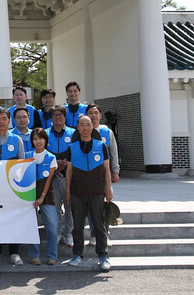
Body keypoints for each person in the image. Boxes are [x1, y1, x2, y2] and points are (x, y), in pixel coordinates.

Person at [63, 116, 113, 272]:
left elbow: (107, 170)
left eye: (88, 125)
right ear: (78, 127)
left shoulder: (101, 146)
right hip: (78, 192)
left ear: (93, 127)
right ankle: (77, 254)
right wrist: (68, 193)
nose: (85, 128)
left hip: (97, 192)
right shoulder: (72, 147)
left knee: (99, 225)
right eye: (82, 125)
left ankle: (103, 256)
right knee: (77, 226)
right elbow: (69, 172)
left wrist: (108, 189)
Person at [0, 107, 26, 266]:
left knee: (13, 220)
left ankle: (14, 253)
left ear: (9, 121)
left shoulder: (17, 140)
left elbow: (22, 164)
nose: (1, 122)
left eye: (4, 119)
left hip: (13, 188)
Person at [86, 103, 120, 246]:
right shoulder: (82, 131)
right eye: (90, 113)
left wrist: (115, 170)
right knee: (90, 207)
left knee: (104, 205)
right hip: (87, 175)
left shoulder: (107, 132)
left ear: (100, 116)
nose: (93, 116)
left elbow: (113, 152)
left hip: (103, 175)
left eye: (96, 113)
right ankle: (94, 234)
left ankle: (105, 235)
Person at [26, 127, 59, 266]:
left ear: (45, 140)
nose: (38, 141)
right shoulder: (27, 155)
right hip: (29, 197)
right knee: (30, 228)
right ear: (32, 141)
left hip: (46, 197)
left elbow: (49, 180)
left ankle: (52, 255)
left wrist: (42, 197)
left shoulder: (51, 157)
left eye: (41, 138)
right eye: (35, 139)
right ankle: (34, 255)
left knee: (52, 227)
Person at [46, 105, 76, 248]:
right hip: (53, 177)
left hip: (69, 176)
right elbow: (41, 153)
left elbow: (77, 153)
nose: (57, 117)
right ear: (51, 118)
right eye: (54, 115)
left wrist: (66, 164)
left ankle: (68, 233)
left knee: (70, 206)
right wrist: (55, 163)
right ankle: (57, 232)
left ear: (65, 117)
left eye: (60, 115)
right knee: (55, 207)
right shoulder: (45, 134)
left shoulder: (73, 133)